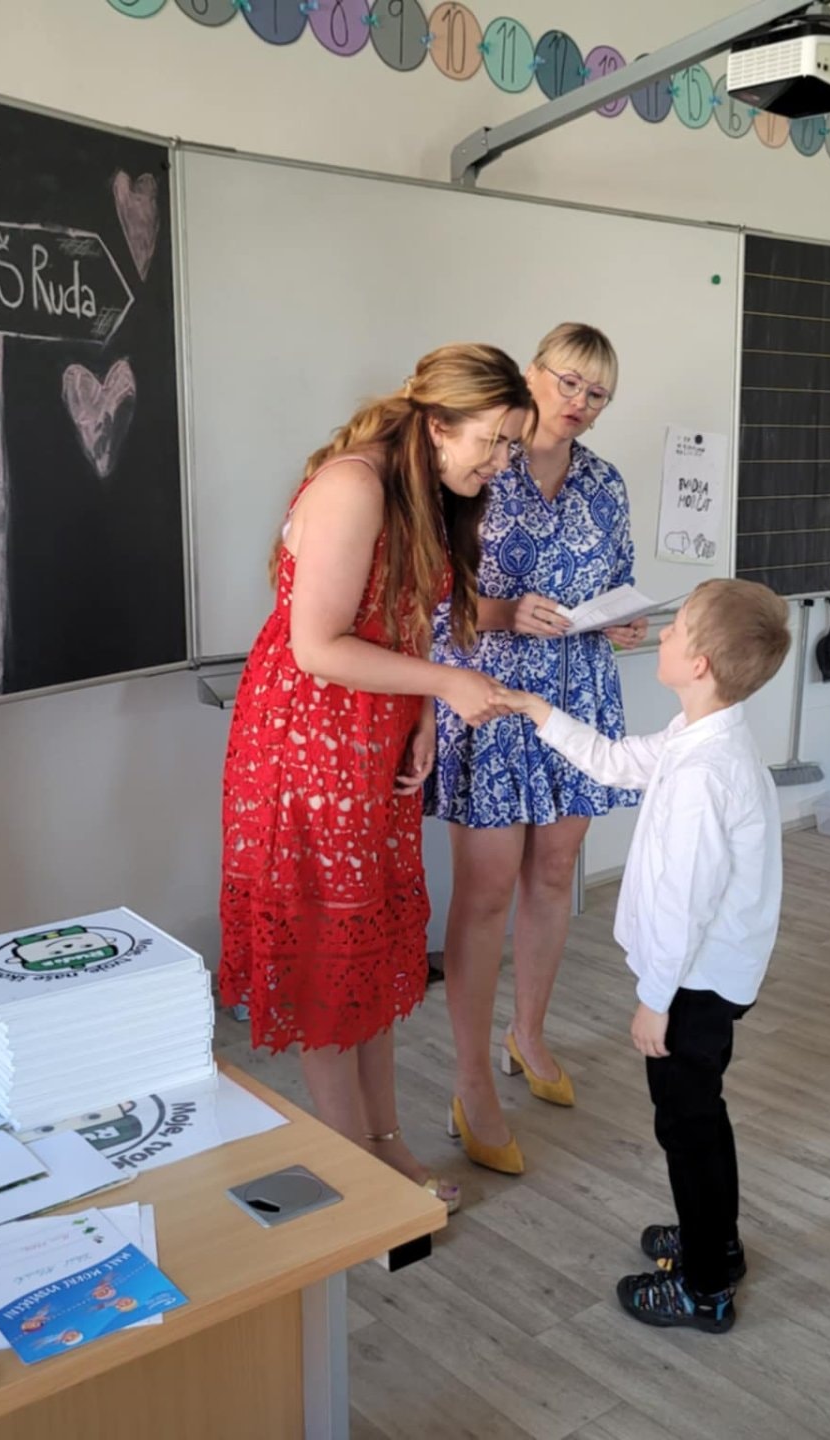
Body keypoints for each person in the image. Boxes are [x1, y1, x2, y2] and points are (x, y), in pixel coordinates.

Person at [219, 344, 532, 1215]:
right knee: (330, 959)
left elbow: (407, 618)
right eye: (495, 441)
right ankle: (353, 1168)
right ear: (438, 425)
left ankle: (384, 1143)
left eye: (512, 446)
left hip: (372, 738)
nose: (502, 463)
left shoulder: (424, 491)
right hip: (308, 745)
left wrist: (423, 712)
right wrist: (447, 686)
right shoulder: (353, 486)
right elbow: (318, 646)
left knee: (365, 957)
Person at [495, 579, 792, 1332]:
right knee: (699, 1118)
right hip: (706, 978)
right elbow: (615, 761)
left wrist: (655, 1000)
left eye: (675, 628)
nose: (659, 633)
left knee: (686, 1128)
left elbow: (682, 907)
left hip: (693, 984)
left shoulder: (703, 774)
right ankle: (714, 1241)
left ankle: (704, 1286)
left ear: (699, 664)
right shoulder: (700, 735)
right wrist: (536, 710)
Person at [429, 323, 643, 1176]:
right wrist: (503, 612)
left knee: (555, 874)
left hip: (578, 691)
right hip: (487, 693)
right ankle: (471, 1079)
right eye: (569, 382)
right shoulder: (481, 460)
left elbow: (617, 581)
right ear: (532, 374)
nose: (580, 402)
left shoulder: (604, 481)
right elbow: (428, 596)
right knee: (485, 892)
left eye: (598, 393)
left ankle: (529, 1034)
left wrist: (621, 621)